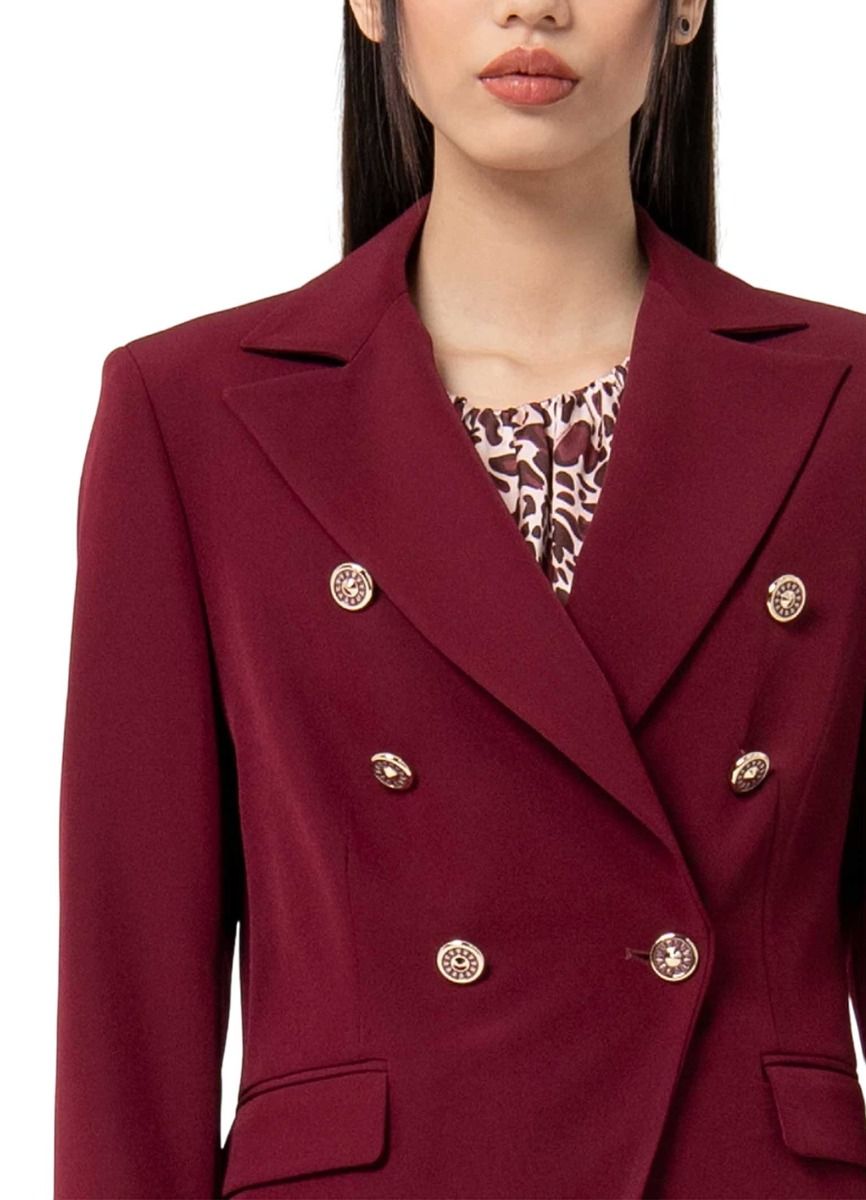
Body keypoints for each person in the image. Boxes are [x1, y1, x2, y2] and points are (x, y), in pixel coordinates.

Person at [54, 1, 866, 1197]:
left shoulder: (845, 405)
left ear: (686, 5)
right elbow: (130, 986)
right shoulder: (188, 414)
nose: (531, 7)